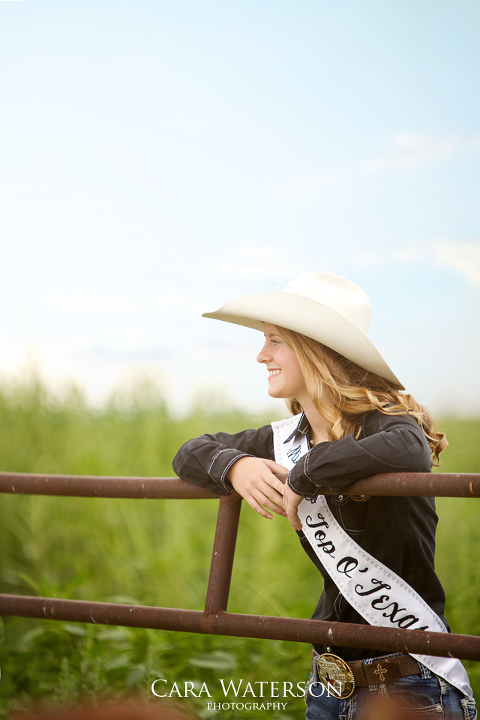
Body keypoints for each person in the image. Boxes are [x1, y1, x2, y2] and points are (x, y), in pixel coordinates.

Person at [173, 271, 477, 720]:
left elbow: (410, 448)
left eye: (274, 341)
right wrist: (235, 465)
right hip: (328, 685)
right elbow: (189, 453)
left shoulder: (382, 425)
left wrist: (305, 472)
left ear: (315, 349)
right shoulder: (283, 438)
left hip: (407, 687)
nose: (261, 355)